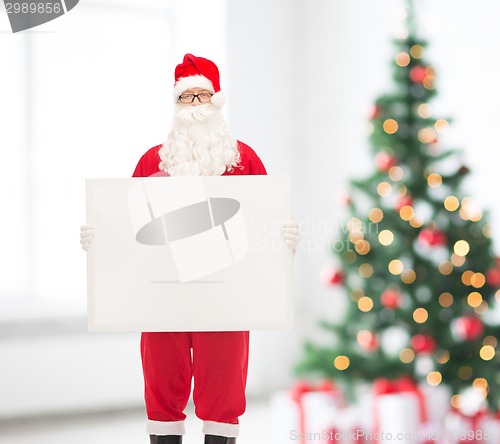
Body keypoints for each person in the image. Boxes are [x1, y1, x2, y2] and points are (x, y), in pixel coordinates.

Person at [80, 53, 300, 444]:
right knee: (162, 381)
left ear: (216, 102)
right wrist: (100, 239)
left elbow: (264, 220)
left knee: (224, 385)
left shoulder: (244, 159)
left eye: (202, 96)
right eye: (187, 97)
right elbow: (127, 222)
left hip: (227, 295)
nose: (195, 105)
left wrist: (282, 239)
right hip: (164, 293)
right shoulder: (152, 160)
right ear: (176, 104)